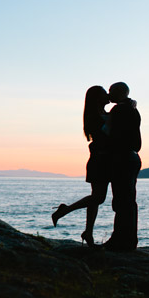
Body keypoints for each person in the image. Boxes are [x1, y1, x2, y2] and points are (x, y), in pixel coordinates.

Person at [50, 85, 112, 247]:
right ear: (97, 98)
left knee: (95, 198)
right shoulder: (94, 117)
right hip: (99, 161)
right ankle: (65, 210)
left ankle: (88, 232)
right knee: (98, 197)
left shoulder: (104, 114)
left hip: (103, 160)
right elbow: (103, 136)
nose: (108, 95)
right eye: (104, 93)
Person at [102, 81, 142, 251]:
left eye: (111, 91)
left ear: (119, 92)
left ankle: (120, 240)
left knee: (121, 200)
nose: (108, 95)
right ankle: (129, 239)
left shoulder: (119, 110)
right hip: (132, 157)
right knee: (128, 200)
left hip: (122, 157)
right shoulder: (133, 109)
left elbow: (107, 131)